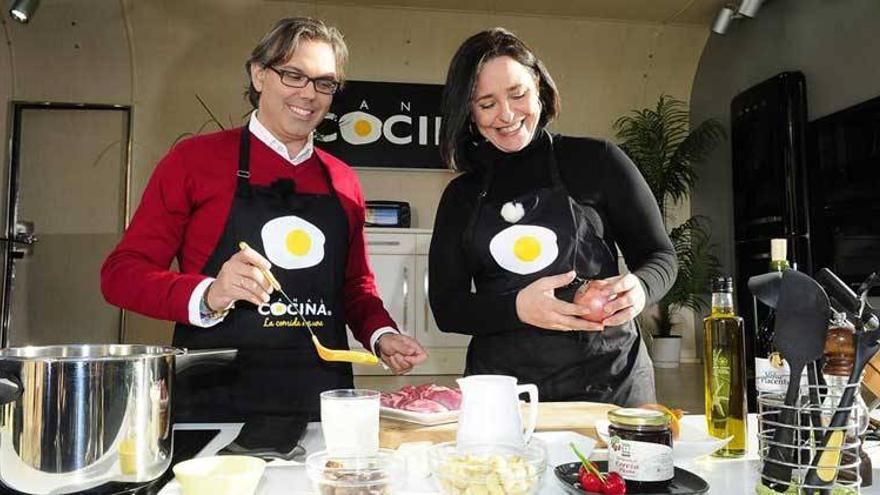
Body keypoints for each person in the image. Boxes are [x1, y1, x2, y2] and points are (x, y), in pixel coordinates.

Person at [102, 17, 427, 422]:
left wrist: (382, 334)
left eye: (324, 83)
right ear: (259, 75)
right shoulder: (193, 161)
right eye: (293, 75)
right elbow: (120, 275)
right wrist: (208, 294)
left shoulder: (342, 179)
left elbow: (354, 286)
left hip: (319, 396)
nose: (308, 94)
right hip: (215, 399)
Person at [429, 28, 677, 406]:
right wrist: (517, 308)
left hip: (611, 382)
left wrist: (640, 289)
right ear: (469, 112)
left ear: (540, 88)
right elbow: (447, 307)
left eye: (518, 94)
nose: (508, 114)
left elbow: (660, 257)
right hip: (506, 394)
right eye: (487, 103)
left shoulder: (598, 161)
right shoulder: (460, 197)